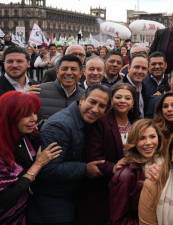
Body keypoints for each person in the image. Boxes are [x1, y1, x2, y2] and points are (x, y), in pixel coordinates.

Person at [28, 85, 111, 225]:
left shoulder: (89, 121)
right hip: (53, 199)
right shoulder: (60, 126)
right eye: (92, 102)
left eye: (102, 106)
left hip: (72, 194)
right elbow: (47, 169)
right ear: (82, 99)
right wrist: (85, 169)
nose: (95, 109)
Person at [0, 91, 61, 224]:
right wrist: (37, 165)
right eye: (27, 114)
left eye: (35, 113)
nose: (34, 118)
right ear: (10, 116)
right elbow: (4, 198)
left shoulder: (23, 136)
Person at [82, 83, 138, 225]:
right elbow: (94, 157)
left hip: (130, 186)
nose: (123, 101)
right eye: (118, 97)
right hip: (104, 188)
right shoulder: (101, 122)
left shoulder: (136, 123)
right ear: (111, 101)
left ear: (133, 103)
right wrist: (113, 167)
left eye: (127, 98)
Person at [110, 119, 164, 225]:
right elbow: (118, 220)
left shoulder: (164, 163)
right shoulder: (126, 175)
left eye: (152, 137)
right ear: (134, 142)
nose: (148, 142)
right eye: (142, 138)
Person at [39, 54, 85, 121]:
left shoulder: (85, 96)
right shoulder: (39, 91)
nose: (69, 72)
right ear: (57, 72)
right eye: (64, 69)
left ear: (80, 73)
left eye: (73, 69)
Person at [143, 51, 169, 117]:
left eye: (160, 64)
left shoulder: (172, 81)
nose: (157, 67)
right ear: (148, 66)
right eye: (153, 64)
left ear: (165, 65)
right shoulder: (142, 83)